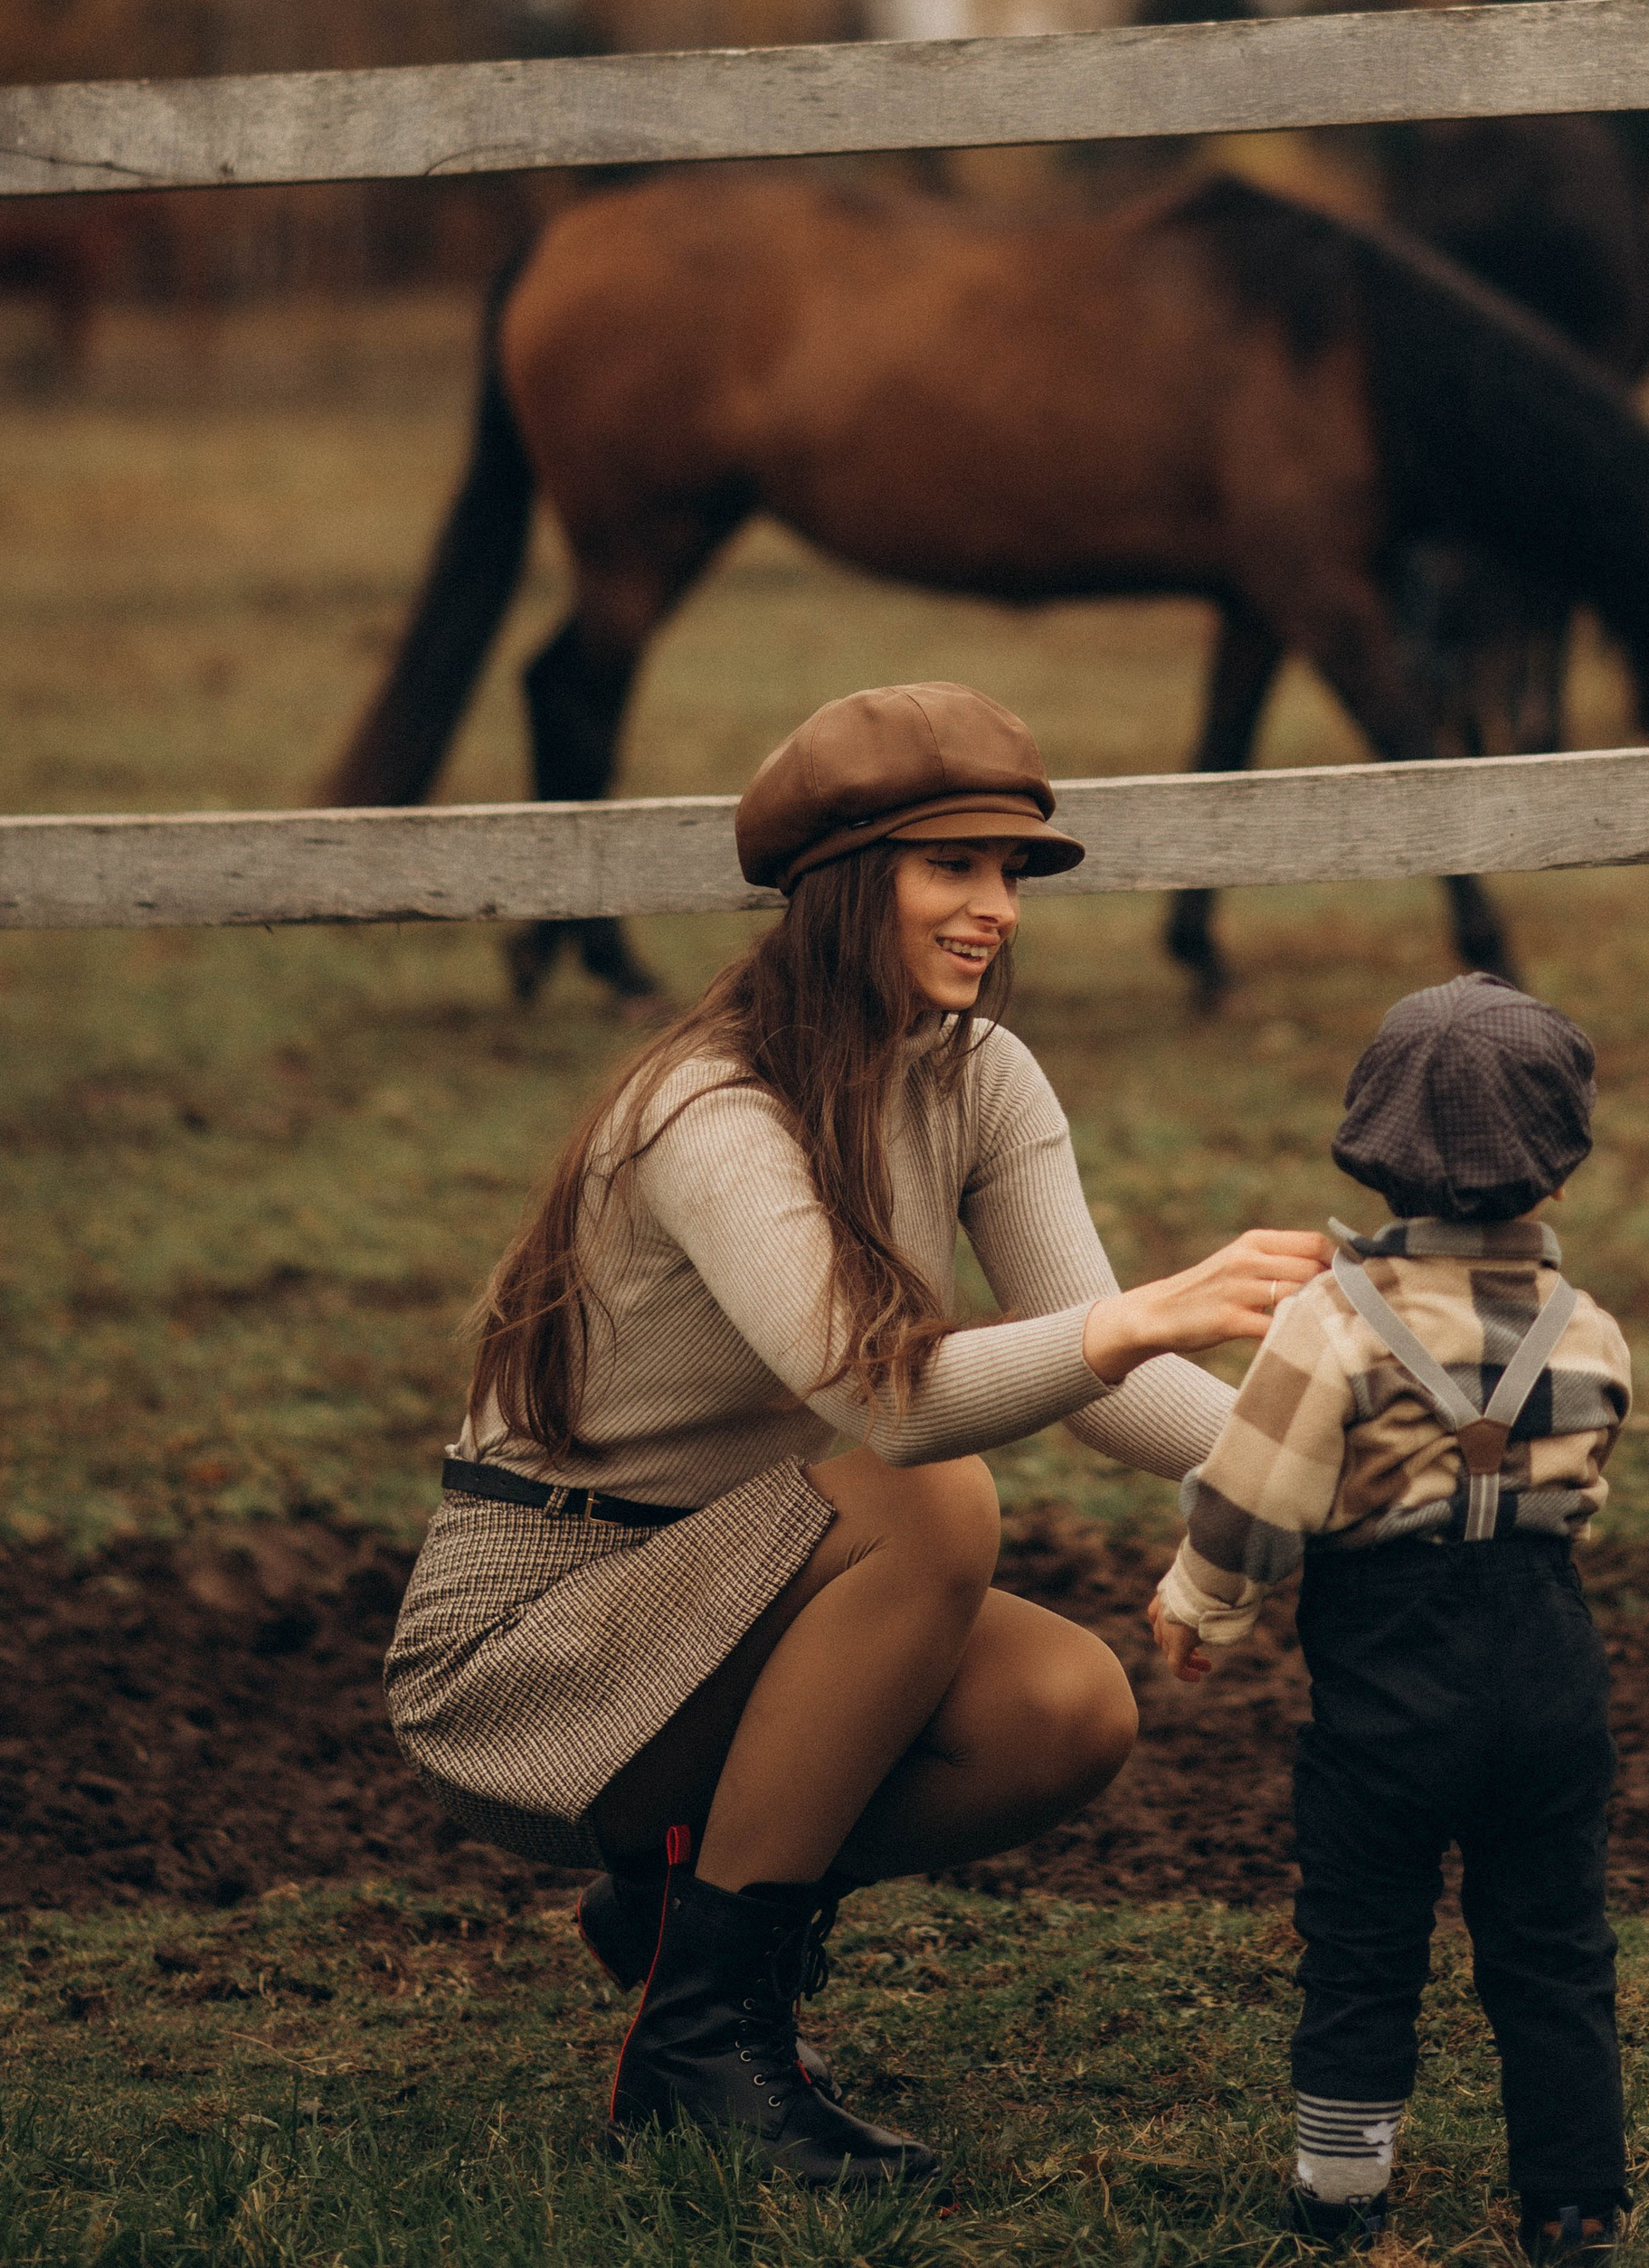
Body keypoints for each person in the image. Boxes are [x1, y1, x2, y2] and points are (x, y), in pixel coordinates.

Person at [384, 680, 1325, 2190]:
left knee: (1069, 1709)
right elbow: (888, 1398)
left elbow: (1110, 1397)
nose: (998, 906)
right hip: (534, 1645)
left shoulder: (977, 1075)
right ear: (841, 884)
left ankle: (682, 1927)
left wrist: (1320, 1478)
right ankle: (701, 2043)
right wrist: (1150, 1310)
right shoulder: (707, 1104)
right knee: (926, 1492)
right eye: (952, 866)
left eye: (1012, 870)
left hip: (739, 1598)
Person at [1148, 973, 1633, 2256]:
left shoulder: (1327, 1327)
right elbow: (1584, 1494)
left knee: (1362, 1940)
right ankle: (1574, 2199)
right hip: (1547, 1668)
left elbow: (1256, 1501)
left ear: (1371, 1152)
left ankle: (1344, 2193)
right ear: (1560, 1171)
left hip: (1388, 1693)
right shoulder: (1593, 1333)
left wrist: (1205, 1604)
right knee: (1554, 1939)